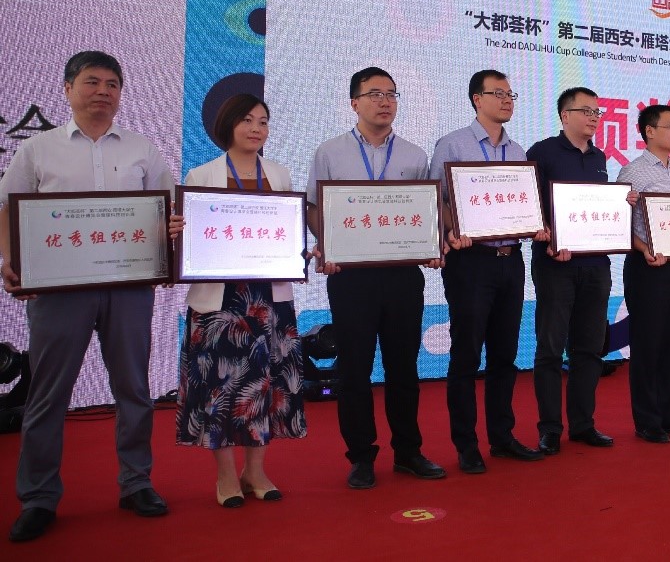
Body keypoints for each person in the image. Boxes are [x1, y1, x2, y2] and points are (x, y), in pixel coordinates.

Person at [1, 52, 175, 543]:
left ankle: (136, 483)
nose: (103, 91)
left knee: (134, 389)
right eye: (92, 81)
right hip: (59, 292)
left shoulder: (143, 149)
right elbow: (7, 208)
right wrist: (10, 261)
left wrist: (169, 254)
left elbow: (166, 213)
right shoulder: (37, 150)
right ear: (67, 89)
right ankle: (38, 497)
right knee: (47, 393)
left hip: (129, 288)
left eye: (112, 83)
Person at [307, 67, 444, 489]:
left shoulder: (414, 156)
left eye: (391, 94)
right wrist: (329, 246)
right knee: (354, 370)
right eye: (374, 94)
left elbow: (426, 212)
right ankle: (361, 456)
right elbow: (314, 207)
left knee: (403, 368)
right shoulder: (330, 152)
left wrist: (432, 244)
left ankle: (408, 452)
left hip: (402, 277)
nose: (384, 102)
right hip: (351, 279)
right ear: (354, 102)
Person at [172, 94, 306, 507]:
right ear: (228, 125)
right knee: (221, 387)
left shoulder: (279, 174)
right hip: (220, 303)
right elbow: (193, 238)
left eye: (263, 121)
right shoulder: (201, 174)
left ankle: (256, 471)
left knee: (265, 386)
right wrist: (179, 232)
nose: (256, 129)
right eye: (247, 120)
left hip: (268, 299)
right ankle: (226, 476)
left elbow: (289, 232)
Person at [430, 70, 547, 474]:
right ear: (477, 99)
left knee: (504, 354)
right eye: (498, 93)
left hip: (511, 260)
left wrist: (537, 225)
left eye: (511, 94)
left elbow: (524, 205)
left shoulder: (518, 151)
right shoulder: (452, 144)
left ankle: (502, 436)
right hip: (471, 262)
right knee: (466, 355)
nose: (507, 100)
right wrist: (451, 229)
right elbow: (436, 200)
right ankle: (466, 445)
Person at [527, 87, 630, 453]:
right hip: (555, 264)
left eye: (597, 112)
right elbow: (528, 205)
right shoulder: (542, 152)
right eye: (586, 111)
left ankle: (584, 424)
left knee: (589, 349)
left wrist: (622, 203)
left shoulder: (600, 157)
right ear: (564, 115)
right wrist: (546, 235)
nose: (593, 118)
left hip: (596, 264)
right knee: (551, 349)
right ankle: (550, 429)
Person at [617, 105, 670, 441]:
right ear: (649, 131)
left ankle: (667, 412)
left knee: (669, 341)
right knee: (647, 343)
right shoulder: (633, 171)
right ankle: (647, 419)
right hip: (646, 266)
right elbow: (620, 224)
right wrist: (644, 249)